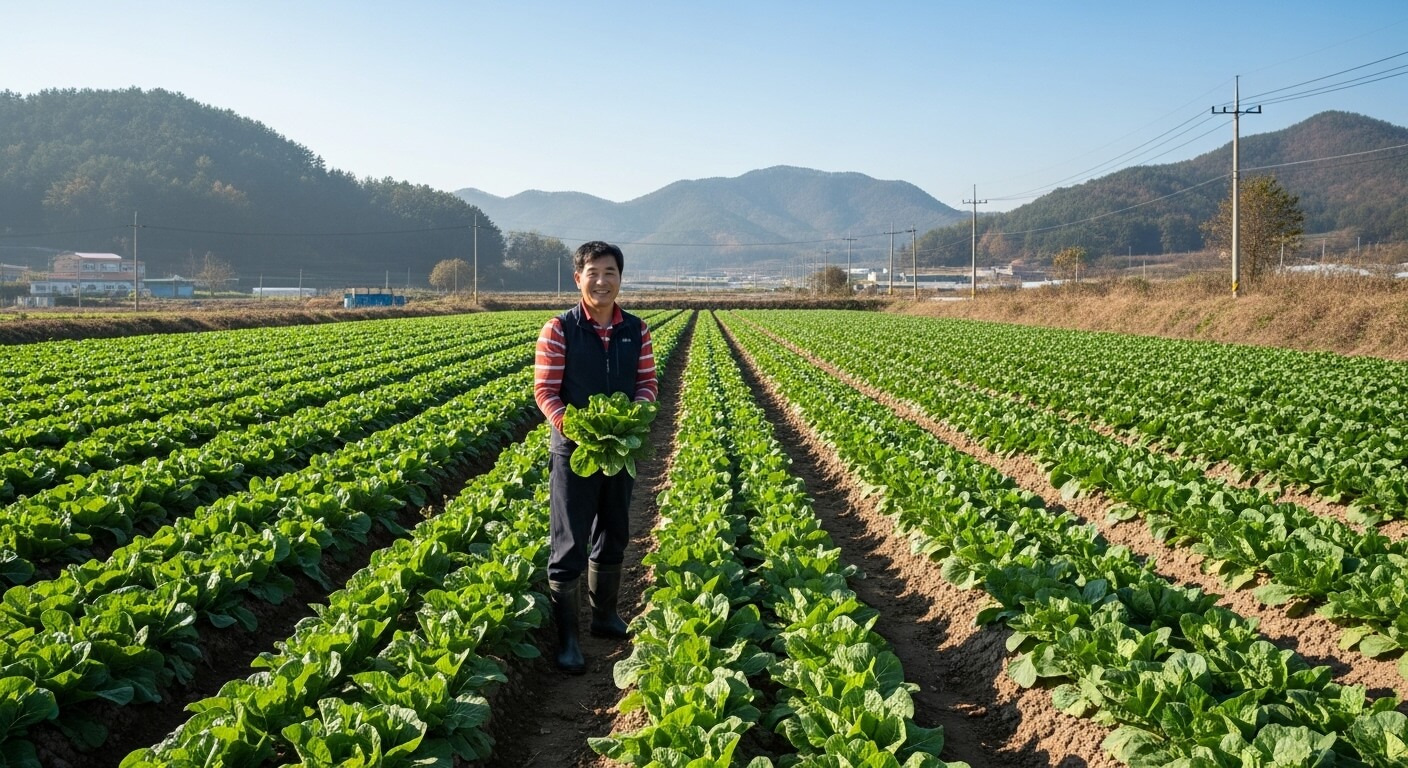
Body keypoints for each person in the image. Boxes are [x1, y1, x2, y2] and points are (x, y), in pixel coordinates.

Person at [533, 240, 657, 674]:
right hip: (575, 450)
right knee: (569, 539)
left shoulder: (635, 330)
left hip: (620, 448)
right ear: (578, 278)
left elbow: (647, 384)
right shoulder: (559, 329)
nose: (602, 281)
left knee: (614, 528)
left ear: (621, 278)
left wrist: (633, 418)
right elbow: (546, 391)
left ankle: (604, 617)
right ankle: (568, 639)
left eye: (610, 272)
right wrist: (578, 429)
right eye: (593, 272)